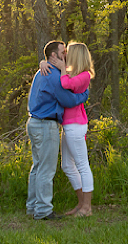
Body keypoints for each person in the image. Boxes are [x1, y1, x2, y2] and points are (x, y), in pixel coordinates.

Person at [26, 40, 89, 221]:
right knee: (46, 169)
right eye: (63, 52)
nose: (66, 55)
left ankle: (33, 206)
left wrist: (43, 62)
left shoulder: (41, 71)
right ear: (54, 55)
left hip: (34, 122)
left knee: (37, 167)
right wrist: (84, 95)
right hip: (46, 125)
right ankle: (43, 210)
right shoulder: (53, 76)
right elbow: (68, 100)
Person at [46, 42, 95, 217]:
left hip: (76, 125)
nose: (65, 55)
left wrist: (62, 70)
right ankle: (80, 204)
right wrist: (43, 63)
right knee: (67, 165)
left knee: (82, 165)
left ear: (76, 55)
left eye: (68, 52)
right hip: (68, 125)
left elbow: (66, 84)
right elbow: (54, 67)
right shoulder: (71, 71)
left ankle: (87, 208)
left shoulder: (84, 75)